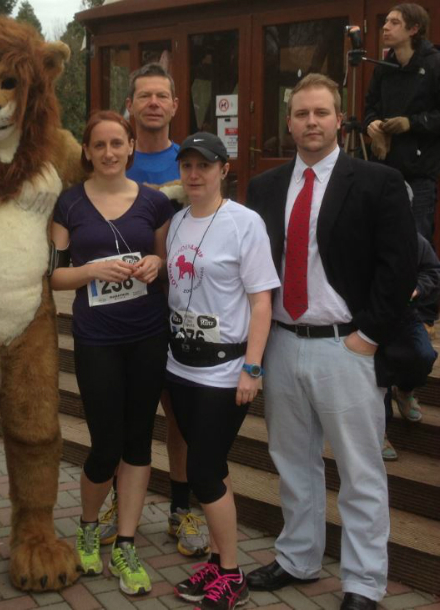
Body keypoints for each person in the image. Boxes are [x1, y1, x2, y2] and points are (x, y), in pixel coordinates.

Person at [246, 74, 417, 610]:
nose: (311, 122)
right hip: (282, 340)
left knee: (359, 469)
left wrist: (368, 336)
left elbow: (400, 267)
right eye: (301, 113)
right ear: (289, 121)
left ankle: (364, 581)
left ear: (338, 119)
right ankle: (298, 556)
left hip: (346, 347)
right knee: (293, 461)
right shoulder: (265, 187)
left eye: (321, 113)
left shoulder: (377, 182)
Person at [50, 110, 171, 596]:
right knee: (105, 444)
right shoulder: (70, 203)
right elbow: (55, 275)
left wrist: (156, 261)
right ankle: (85, 524)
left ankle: (124, 541)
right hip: (96, 336)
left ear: (130, 148)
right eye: (99, 145)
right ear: (87, 151)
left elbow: (164, 263)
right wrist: (92, 270)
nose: (108, 153)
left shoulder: (155, 203)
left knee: (139, 440)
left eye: (117, 144)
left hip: (147, 333)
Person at [99, 62, 209, 559]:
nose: (153, 104)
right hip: (122, 314)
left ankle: (181, 508)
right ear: (131, 103)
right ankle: (118, 505)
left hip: (181, 308)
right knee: (127, 414)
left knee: (179, 417)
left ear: (174, 104)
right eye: (144, 95)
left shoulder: (190, 161)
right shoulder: (111, 158)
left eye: (162, 95)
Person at [165, 132, 279, 610]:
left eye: (204, 166)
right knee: (211, 468)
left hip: (224, 369)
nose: (194, 174)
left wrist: (252, 368)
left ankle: (231, 573)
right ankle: (215, 558)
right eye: (187, 165)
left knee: (203, 470)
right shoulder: (175, 223)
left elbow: (260, 302)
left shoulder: (244, 223)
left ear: (223, 169)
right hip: (179, 365)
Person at [365, 3, 440, 242]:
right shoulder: (383, 68)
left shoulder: (435, 64)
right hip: (384, 169)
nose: (385, 27)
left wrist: (411, 123)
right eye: (385, 21)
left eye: (394, 22)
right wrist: (373, 126)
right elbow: (370, 107)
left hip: (419, 174)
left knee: (416, 242)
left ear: (414, 29)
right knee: (382, 238)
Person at [381, 231, 440, 460]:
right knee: (378, 372)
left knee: (424, 356)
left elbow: (433, 271)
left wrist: (417, 288)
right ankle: (379, 431)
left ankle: (404, 391)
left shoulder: (413, 239)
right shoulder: (361, 233)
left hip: (405, 314)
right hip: (368, 317)